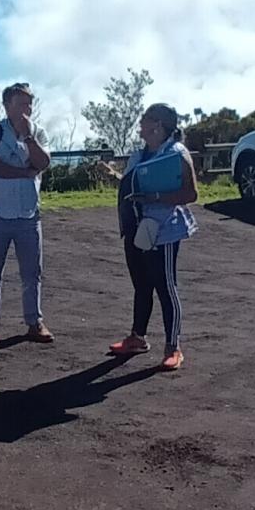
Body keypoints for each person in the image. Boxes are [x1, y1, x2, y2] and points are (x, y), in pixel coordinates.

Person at [109, 103, 199, 371]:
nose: (140, 123)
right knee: (141, 284)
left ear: (158, 125)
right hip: (137, 227)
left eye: (145, 119)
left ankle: (173, 347)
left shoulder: (176, 154)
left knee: (165, 287)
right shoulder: (139, 155)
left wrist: (156, 197)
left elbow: (191, 194)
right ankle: (137, 337)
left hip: (164, 230)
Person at [0, 82, 53, 343]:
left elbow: (43, 163)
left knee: (32, 274)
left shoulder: (38, 133)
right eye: (21, 104)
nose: (26, 110)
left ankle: (34, 322)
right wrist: (24, 172)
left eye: (29, 104)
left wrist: (28, 138)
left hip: (29, 216)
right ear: (7, 105)